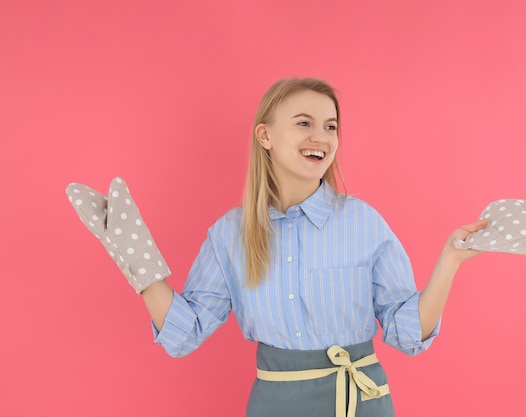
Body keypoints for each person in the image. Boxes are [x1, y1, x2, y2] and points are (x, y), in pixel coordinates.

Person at [66, 77, 487, 417]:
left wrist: (450, 260)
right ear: (265, 136)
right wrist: (136, 259)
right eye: (304, 123)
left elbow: (408, 333)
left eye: (331, 125)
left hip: (360, 401)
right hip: (275, 404)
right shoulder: (229, 235)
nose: (320, 136)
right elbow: (185, 332)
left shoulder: (363, 223)